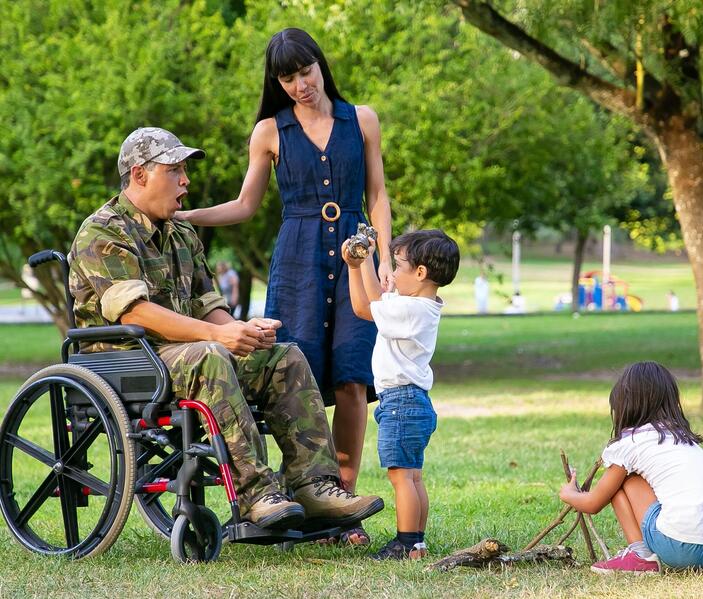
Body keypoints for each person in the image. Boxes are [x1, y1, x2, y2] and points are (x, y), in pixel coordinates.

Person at [69, 127, 383, 534]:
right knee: (212, 354)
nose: (186, 181)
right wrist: (217, 337)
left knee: (282, 356)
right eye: (175, 170)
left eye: (185, 170)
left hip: (183, 355)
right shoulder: (104, 231)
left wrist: (242, 331)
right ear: (139, 174)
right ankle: (257, 494)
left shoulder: (182, 234)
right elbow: (136, 314)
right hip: (123, 362)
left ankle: (313, 485)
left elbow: (208, 305)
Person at [177, 29, 392, 543]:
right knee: (295, 377)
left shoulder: (361, 120)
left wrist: (384, 257)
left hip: (356, 258)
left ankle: (342, 503)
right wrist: (185, 213)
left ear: (321, 65)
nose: (301, 85)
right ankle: (289, 495)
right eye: (288, 77)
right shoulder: (269, 131)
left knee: (352, 378)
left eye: (306, 72)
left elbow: (379, 194)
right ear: (278, 82)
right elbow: (246, 205)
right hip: (297, 260)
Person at [342, 229, 460, 560]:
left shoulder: (413, 310)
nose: (391, 275)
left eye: (397, 267)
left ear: (420, 273)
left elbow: (365, 308)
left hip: (401, 403)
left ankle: (406, 542)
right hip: (412, 402)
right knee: (413, 477)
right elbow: (373, 300)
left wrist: (357, 264)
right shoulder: (416, 303)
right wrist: (361, 262)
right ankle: (416, 543)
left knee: (401, 477)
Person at [558, 361, 703, 574]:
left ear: (624, 404)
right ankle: (693, 562)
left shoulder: (631, 444)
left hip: (680, 547)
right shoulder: (683, 439)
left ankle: (641, 557)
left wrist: (568, 494)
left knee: (623, 480)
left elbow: (593, 503)